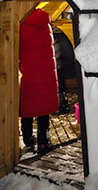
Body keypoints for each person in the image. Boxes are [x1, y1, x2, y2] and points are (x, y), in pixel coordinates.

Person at [19, 9, 60, 154]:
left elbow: (17, 50)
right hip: (47, 73)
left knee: (27, 108)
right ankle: (43, 141)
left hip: (30, 74)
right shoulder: (45, 24)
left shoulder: (22, 26)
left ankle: (28, 140)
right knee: (43, 109)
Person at [52, 26, 75, 114]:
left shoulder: (54, 36)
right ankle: (62, 104)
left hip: (62, 64)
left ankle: (61, 106)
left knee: (57, 82)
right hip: (68, 63)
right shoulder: (60, 33)